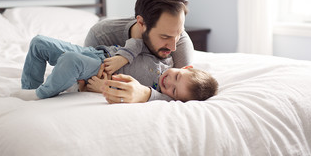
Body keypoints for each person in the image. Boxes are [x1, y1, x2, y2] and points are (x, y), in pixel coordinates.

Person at [84, 0, 195, 104]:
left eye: (179, 33)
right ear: (141, 23)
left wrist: (145, 94)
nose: (174, 47)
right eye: (165, 37)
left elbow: (184, 96)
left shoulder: (181, 42)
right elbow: (86, 83)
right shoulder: (100, 36)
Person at [12, 35, 218, 102]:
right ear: (186, 67)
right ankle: (30, 85)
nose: (169, 82)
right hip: (98, 52)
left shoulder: (156, 93)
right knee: (39, 43)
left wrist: (103, 85)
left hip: (97, 68)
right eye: (178, 77)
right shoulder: (165, 59)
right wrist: (123, 57)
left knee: (71, 61)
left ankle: (38, 95)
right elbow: (137, 42)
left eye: (174, 90)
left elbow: (155, 97)